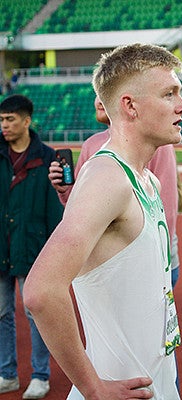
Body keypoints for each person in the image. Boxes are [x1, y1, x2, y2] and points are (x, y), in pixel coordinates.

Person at [23, 43, 182, 399]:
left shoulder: (146, 178)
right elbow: (40, 291)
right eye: (169, 94)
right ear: (129, 105)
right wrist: (92, 388)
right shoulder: (107, 178)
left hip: (154, 380)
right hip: (119, 387)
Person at [48, 96, 182, 289]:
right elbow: (77, 207)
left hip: (147, 260)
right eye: (96, 94)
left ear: (128, 103)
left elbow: (165, 210)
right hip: (104, 261)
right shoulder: (90, 144)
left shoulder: (157, 143)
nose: (98, 101)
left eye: (105, 94)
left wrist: (158, 261)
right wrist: (64, 189)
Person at [0, 94, 63, 399]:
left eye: (10, 119)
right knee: (1, 313)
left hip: (33, 248)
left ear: (26, 121)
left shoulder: (48, 157)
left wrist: (55, 253)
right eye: (1, 120)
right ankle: (7, 373)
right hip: (1, 247)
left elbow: (56, 210)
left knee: (34, 313)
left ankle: (40, 374)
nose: (4, 126)